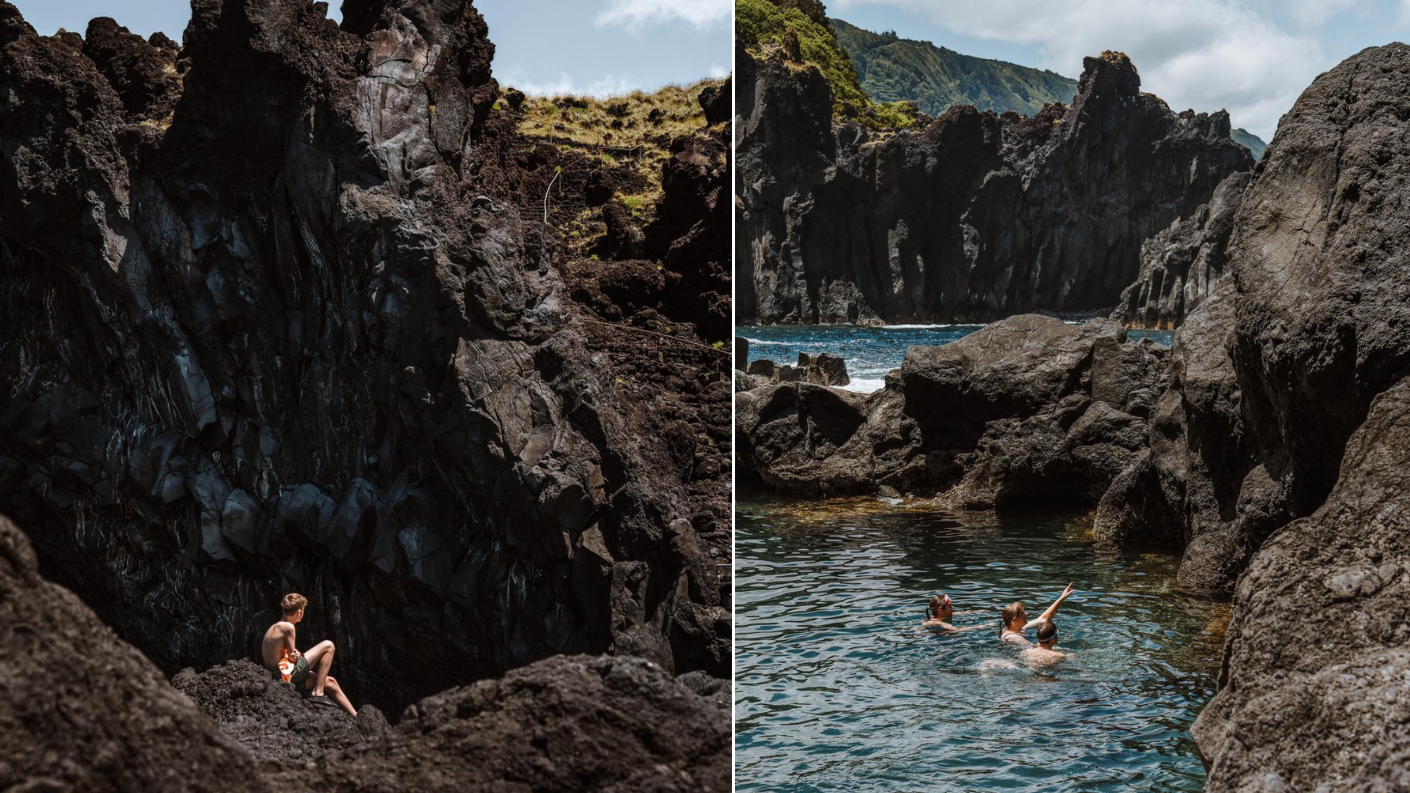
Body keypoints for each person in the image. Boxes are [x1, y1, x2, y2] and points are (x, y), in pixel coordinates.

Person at [261, 593, 357, 716]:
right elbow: (292, 657)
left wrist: (298, 656)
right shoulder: (288, 627)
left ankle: (357, 717)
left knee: (330, 682)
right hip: (286, 676)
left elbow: (289, 655)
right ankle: (318, 692)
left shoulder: (276, 626)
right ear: (299, 611)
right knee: (328, 645)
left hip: (280, 676)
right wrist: (297, 656)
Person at [999, 582, 1075, 646]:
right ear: (1015, 620)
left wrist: (1061, 598)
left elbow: (1044, 619)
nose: (1027, 613)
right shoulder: (1013, 637)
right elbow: (1035, 648)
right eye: (1023, 613)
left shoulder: (1020, 628)